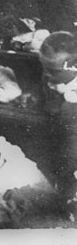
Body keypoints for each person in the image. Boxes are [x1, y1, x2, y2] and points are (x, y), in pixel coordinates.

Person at [39, 31, 77, 220]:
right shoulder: (51, 78)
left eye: (52, 71)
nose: (47, 74)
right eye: (44, 68)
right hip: (57, 133)